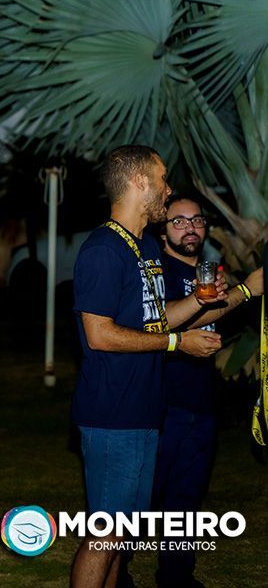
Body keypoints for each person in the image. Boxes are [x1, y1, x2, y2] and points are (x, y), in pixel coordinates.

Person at [70, 145, 224, 588]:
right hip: (111, 413)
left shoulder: (146, 247)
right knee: (105, 534)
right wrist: (178, 343)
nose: (167, 189)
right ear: (139, 182)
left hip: (144, 409)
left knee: (123, 534)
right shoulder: (104, 249)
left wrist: (200, 300)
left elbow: (156, 320)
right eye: (162, 179)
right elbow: (100, 335)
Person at [153, 195, 263, 587]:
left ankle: (177, 576)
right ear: (162, 230)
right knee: (144, 498)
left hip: (201, 403)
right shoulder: (156, 270)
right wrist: (245, 291)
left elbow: (216, 321)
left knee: (186, 498)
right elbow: (164, 322)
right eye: (179, 221)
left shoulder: (211, 272)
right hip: (161, 403)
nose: (190, 228)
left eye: (197, 220)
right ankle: (118, 572)